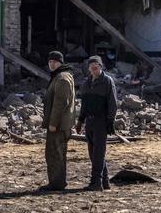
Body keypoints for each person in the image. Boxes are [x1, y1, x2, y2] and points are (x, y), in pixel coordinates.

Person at [74, 55, 117, 191]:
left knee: (98, 152)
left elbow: (113, 103)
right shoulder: (86, 83)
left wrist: (110, 121)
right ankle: (105, 181)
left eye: (96, 65)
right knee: (93, 153)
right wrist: (80, 120)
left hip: (101, 121)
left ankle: (95, 182)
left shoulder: (107, 81)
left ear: (101, 66)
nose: (94, 68)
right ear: (88, 68)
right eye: (91, 66)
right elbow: (84, 104)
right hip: (89, 121)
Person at [39, 51, 76, 191]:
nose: (52, 64)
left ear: (61, 62)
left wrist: (53, 123)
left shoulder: (62, 78)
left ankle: (57, 183)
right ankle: (56, 182)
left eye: (55, 61)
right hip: (60, 125)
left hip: (58, 126)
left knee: (55, 154)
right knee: (54, 153)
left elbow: (60, 103)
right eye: (50, 61)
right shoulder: (60, 76)